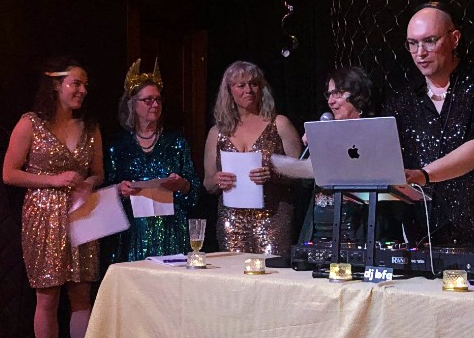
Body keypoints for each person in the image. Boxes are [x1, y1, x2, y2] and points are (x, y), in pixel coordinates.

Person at [2, 57, 103, 338]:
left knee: (81, 297)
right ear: (56, 86)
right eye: (76, 83)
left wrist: (87, 184)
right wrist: (53, 181)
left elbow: (98, 173)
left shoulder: (90, 126)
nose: (82, 90)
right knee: (47, 297)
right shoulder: (30, 123)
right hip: (43, 216)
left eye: (85, 84)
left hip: (81, 215)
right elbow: (9, 173)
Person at [386, 2, 474, 246]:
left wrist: (424, 175)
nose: (420, 52)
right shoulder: (402, 100)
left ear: (454, 38)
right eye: (413, 43)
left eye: (430, 41)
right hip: (421, 237)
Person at [105, 59, 200, 262]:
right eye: (148, 100)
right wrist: (119, 190)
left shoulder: (175, 141)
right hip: (134, 237)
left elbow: (195, 193)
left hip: (172, 233)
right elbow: (105, 192)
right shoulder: (119, 145)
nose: (155, 104)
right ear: (132, 104)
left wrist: (182, 185)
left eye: (158, 99)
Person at [204, 61, 302, 256]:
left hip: (273, 219)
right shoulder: (217, 132)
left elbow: (302, 172)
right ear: (229, 91)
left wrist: (273, 174)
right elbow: (208, 183)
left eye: (254, 84)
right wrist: (217, 180)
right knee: (235, 279)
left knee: (273, 277)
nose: (249, 90)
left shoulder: (279, 124)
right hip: (231, 221)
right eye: (241, 85)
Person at [299, 66, 374, 243]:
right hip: (320, 225)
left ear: (357, 93)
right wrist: (316, 146)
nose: (331, 101)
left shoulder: (373, 131)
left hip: (356, 226)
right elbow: (305, 181)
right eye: (329, 95)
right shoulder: (327, 132)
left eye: (338, 93)